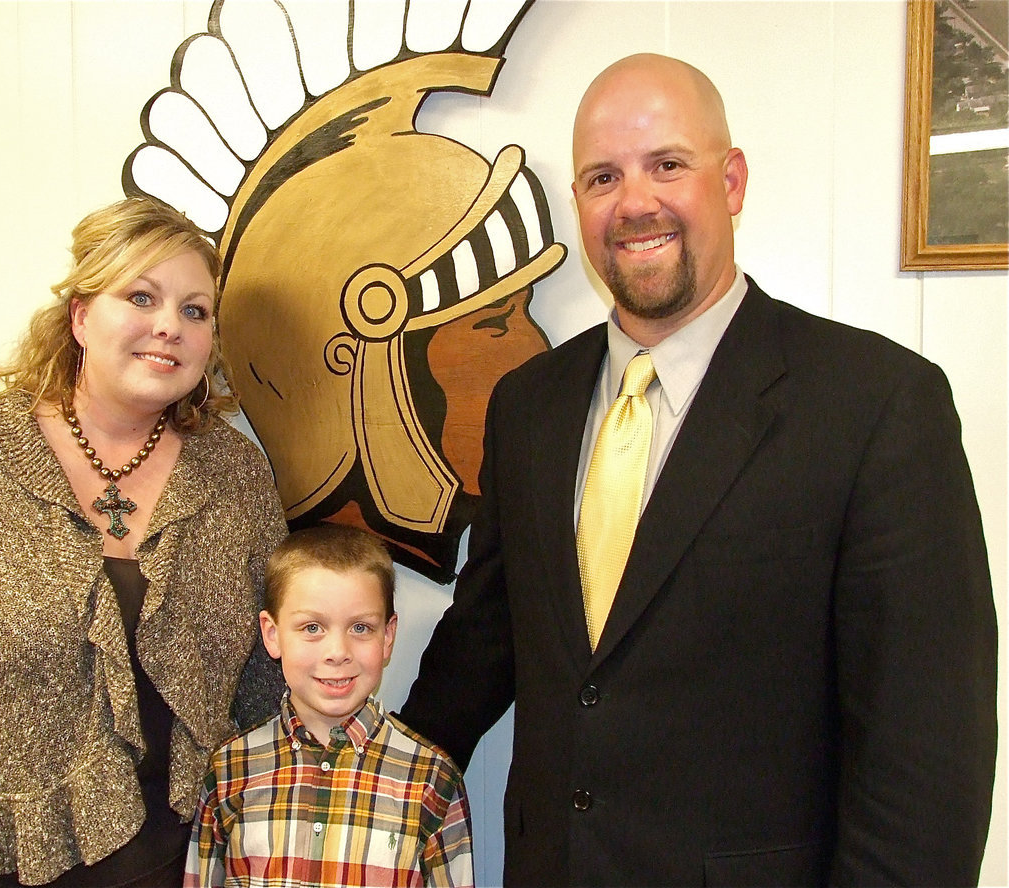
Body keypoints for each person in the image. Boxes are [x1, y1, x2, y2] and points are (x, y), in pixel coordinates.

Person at [398, 53, 997, 886]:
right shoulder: (528, 405)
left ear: (733, 180)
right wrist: (370, 784)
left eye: (667, 165)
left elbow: (927, 754)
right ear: (578, 204)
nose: (634, 201)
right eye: (602, 176)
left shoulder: (878, 405)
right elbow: (488, 636)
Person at [0, 197, 288, 888]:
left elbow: (265, 687)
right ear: (79, 316)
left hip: (181, 867)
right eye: (141, 296)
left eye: (195, 310)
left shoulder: (237, 477)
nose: (170, 326)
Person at [185, 525, 474, 887]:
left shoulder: (431, 779)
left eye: (360, 628)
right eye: (311, 628)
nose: (337, 652)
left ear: (388, 636)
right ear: (272, 634)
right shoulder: (230, 770)